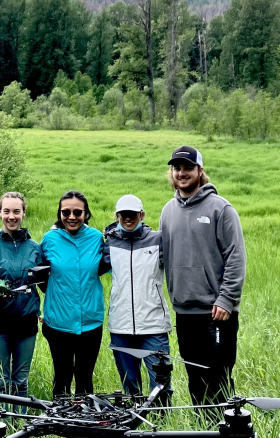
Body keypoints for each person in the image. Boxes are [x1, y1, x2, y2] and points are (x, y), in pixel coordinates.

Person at [160, 145, 246, 407]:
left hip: (215, 313)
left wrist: (226, 299)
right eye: (177, 168)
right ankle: (203, 435)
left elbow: (236, 256)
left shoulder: (221, 209)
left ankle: (224, 437)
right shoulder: (168, 211)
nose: (182, 173)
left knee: (218, 377)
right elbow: (162, 255)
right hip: (184, 312)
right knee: (194, 377)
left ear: (200, 171)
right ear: (171, 173)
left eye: (188, 168)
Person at [0, 192, 46, 405]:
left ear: (24, 213)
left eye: (16, 211)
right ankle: (1, 424)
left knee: (21, 380)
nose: (11, 216)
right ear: (0, 213)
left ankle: (21, 423)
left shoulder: (35, 248)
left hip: (26, 322)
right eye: (6, 211)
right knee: (1, 381)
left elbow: (41, 284)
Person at [102, 194, 172, 400]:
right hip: (120, 326)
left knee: (161, 384)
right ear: (117, 216)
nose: (128, 218)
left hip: (154, 326)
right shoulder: (110, 242)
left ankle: (163, 425)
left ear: (142, 215)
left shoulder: (158, 240)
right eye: (123, 214)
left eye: (133, 214)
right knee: (129, 386)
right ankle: (135, 426)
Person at [40, 190, 108, 397]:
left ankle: (85, 425)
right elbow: (41, 278)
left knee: (85, 379)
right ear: (59, 213)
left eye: (77, 212)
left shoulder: (97, 238)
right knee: (62, 378)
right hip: (58, 322)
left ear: (86, 214)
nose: (71, 217)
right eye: (66, 212)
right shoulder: (49, 239)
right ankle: (59, 423)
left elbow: (105, 267)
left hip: (90, 321)